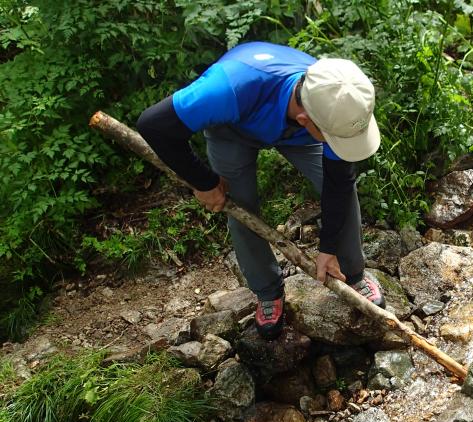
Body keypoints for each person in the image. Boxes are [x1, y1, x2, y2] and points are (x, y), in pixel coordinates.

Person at [137, 41, 385, 340]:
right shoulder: (225, 89)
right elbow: (153, 125)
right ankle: (268, 292)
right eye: (333, 139)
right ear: (308, 121)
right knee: (240, 207)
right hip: (233, 127)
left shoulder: (336, 100)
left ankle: (353, 274)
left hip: (299, 132)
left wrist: (328, 248)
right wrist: (204, 182)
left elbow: (338, 184)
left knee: (344, 193)